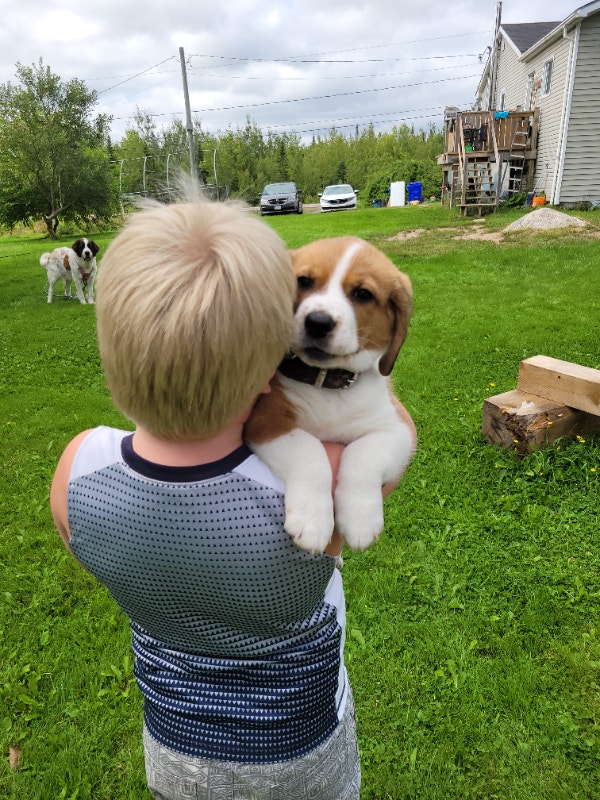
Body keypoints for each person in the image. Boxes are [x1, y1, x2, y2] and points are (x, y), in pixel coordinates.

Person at [50, 191, 416, 800]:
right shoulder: (312, 493)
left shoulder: (75, 470)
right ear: (266, 362)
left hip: (172, 745)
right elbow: (392, 431)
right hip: (298, 751)